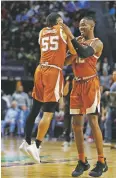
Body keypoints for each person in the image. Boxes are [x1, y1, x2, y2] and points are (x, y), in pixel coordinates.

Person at [19, 12, 76, 163]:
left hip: (40, 69)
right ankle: (36, 145)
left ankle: (26, 141)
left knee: (35, 108)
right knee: (49, 112)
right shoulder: (63, 30)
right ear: (59, 21)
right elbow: (74, 52)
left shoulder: (42, 31)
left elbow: (53, 50)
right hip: (53, 72)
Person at [60, 16, 108, 177]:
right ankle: (82, 161)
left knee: (93, 122)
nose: (81, 26)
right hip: (77, 84)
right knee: (76, 125)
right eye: (79, 24)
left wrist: (71, 38)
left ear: (92, 25)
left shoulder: (97, 42)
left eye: (84, 24)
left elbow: (85, 52)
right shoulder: (77, 40)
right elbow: (67, 62)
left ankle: (101, 161)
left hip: (90, 84)